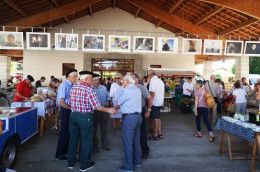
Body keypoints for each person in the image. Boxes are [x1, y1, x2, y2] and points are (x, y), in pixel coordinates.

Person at [67, 71, 116, 171]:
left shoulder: (74, 87)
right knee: (86, 140)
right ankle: (84, 164)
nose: (92, 81)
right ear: (86, 79)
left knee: (73, 139)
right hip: (85, 117)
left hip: (73, 115)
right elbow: (97, 106)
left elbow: (70, 103)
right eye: (90, 79)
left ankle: (71, 162)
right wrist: (109, 110)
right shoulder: (89, 89)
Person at [116, 75, 142, 172]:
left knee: (127, 143)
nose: (122, 83)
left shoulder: (127, 90)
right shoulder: (137, 89)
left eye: (122, 81)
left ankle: (128, 167)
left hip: (130, 118)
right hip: (138, 117)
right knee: (135, 141)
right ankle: (137, 162)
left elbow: (118, 101)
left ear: (127, 81)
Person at [55, 69, 78, 161]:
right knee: (64, 132)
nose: (76, 78)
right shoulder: (64, 86)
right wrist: (71, 108)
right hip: (65, 110)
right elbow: (61, 102)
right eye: (74, 76)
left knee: (69, 131)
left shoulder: (73, 85)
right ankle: (59, 153)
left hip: (70, 109)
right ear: (68, 77)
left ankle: (66, 150)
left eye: (76, 76)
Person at [132, 73, 152, 159]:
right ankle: (131, 150)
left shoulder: (142, 88)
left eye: (131, 78)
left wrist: (149, 110)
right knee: (131, 133)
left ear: (136, 80)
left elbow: (150, 98)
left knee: (142, 133)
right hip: (131, 113)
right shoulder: (127, 87)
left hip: (140, 112)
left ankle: (145, 150)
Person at [92, 74, 112, 155]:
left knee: (104, 129)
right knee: (94, 131)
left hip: (104, 111)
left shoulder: (103, 87)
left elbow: (107, 97)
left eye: (97, 80)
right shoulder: (90, 89)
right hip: (94, 112)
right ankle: (95, 148)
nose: (96, 82)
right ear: (92, 80)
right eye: (94, 80)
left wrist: (107, 107)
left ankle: (105, 145)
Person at [147, 69, 164, 140]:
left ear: (150, 75)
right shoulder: (160, 81)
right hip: (160, 101)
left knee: (155, 118)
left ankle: (155, 134)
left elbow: (152, 94)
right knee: (158, 117)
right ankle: (159, 133)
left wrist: (149, 106)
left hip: (155, 102)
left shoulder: (153, 81)